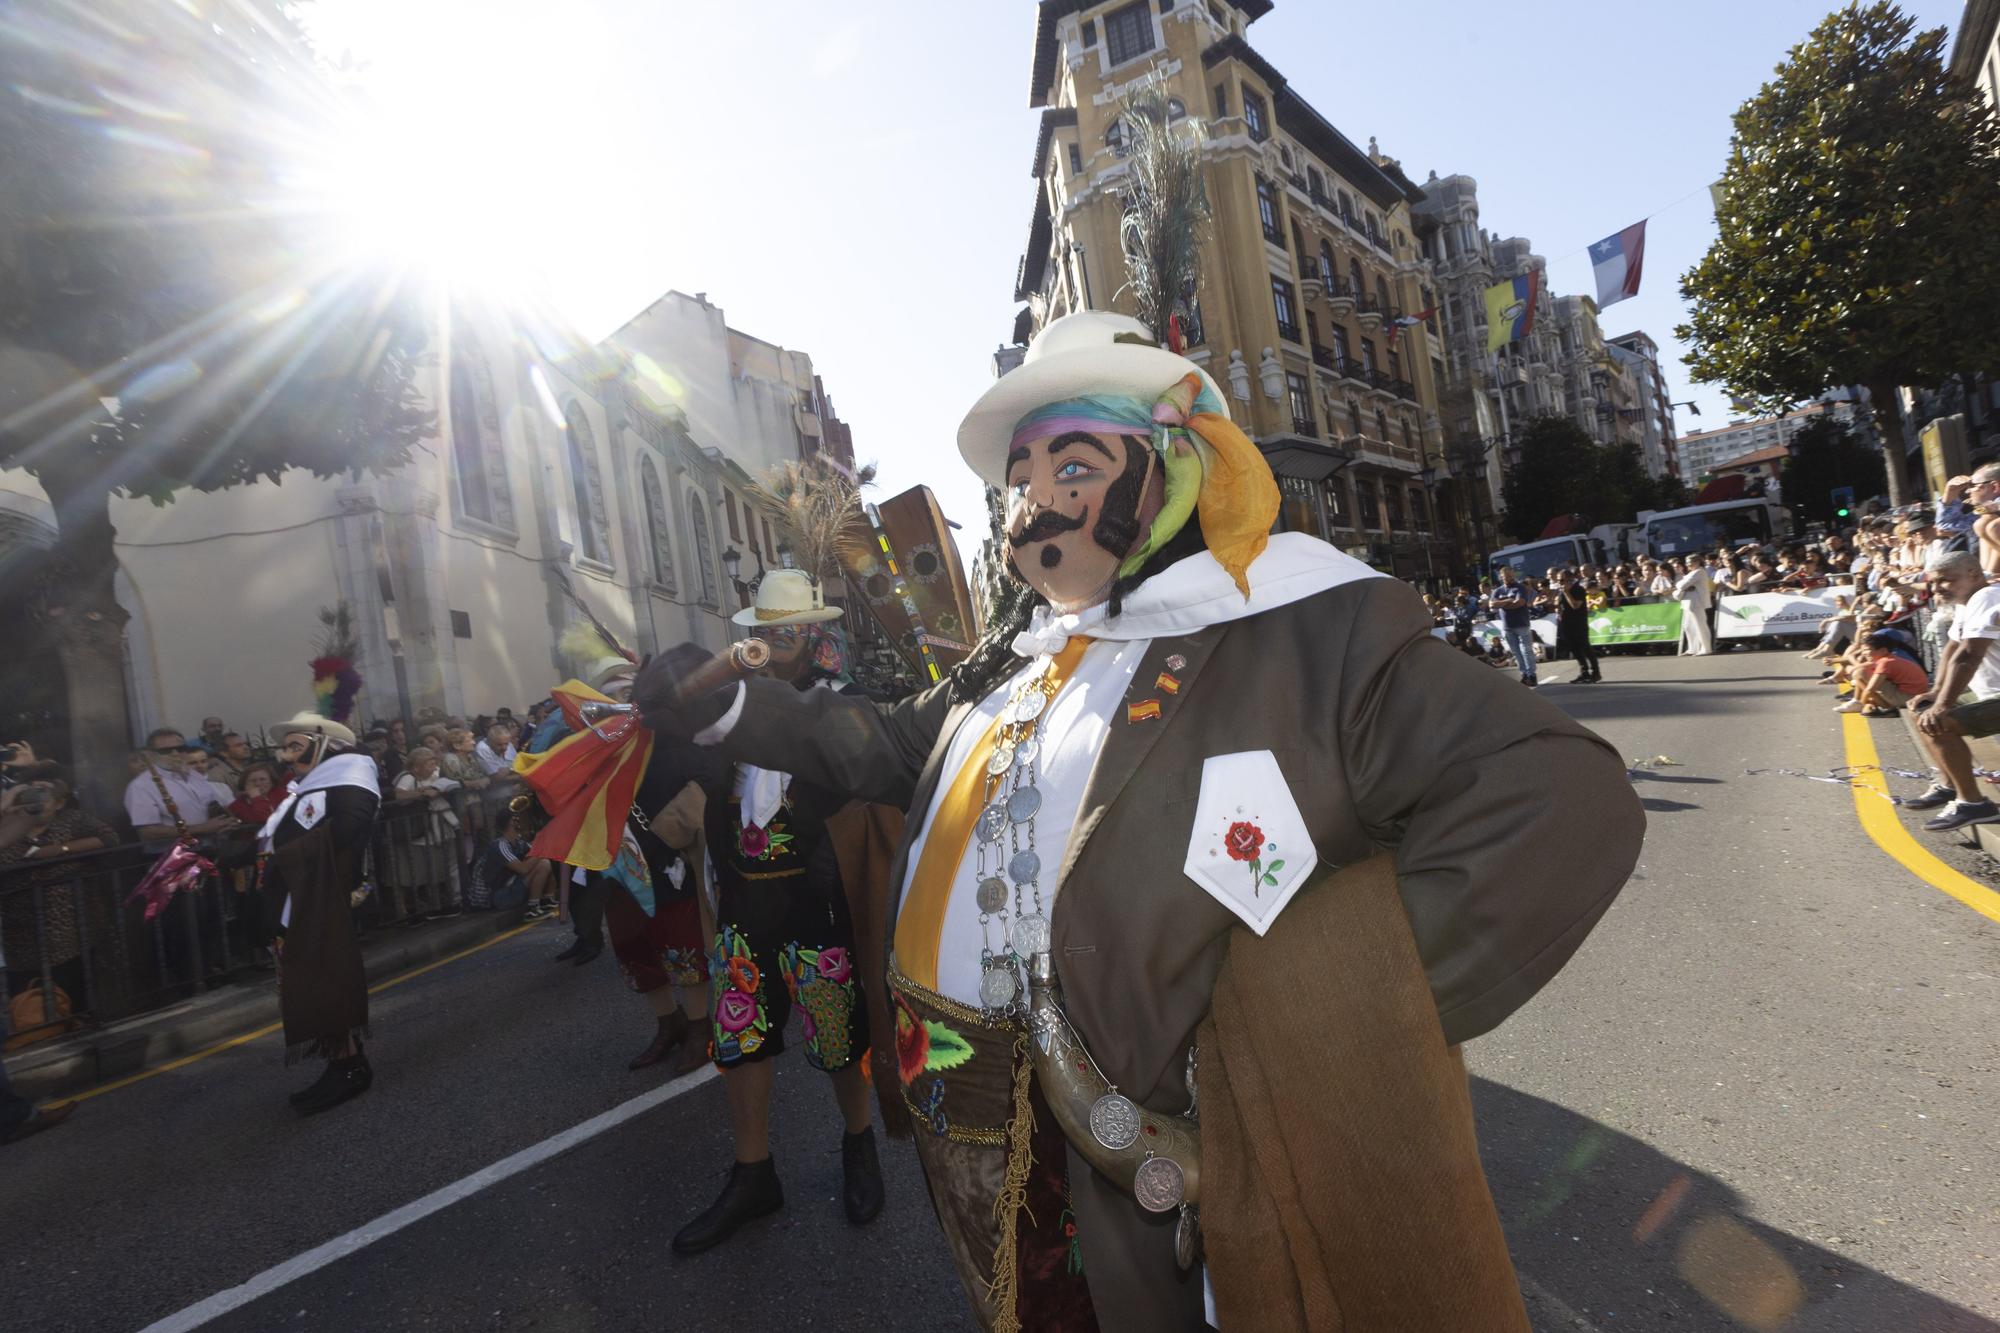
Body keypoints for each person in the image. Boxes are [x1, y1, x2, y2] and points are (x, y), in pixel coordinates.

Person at [635, 311, 1642, 1330]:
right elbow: (885, 748)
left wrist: (1307, 1027)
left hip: (1140, 1175)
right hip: (961, 1124)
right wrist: (723, 706)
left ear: (1172, 466)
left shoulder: (1302, 627)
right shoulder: (1016, 654)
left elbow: (1556, 798)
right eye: (1019, 480)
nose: (1032, 504)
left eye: (1070, 464)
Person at [662, 573, 887, 1255]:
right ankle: (753, 1173)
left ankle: (859, 1146)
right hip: (745, 904)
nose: (771, 641)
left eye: (785, 630)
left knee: (839, 1038)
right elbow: (694, 782)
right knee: (740, 1041)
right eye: (762, 629)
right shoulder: (726, 706)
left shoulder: (844, 702)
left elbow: (870, 784)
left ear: (812, 633)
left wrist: (834, 847)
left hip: (815, 904)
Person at [260, 713, 382, 1114]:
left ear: (325, 744)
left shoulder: (351, 780)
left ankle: (348, 1067)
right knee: (310, 982)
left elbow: (347, 830)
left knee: (325, 980)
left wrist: (281, 856)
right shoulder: (306, 789)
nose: (286, 755)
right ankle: (342, 1058)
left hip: (323, 900)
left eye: (296, 746)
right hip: (300, 900)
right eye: (286, 747)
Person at [123, 728, 237, 854]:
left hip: (212, 850)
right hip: (174, 859)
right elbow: (148, 832)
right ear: (150, 755)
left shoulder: (195, 776)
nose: (175, 753)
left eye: (181, 748)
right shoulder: (142, 786)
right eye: (166, 751)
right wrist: (202, 828)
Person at [1836, 632, 1928, 717]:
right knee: (1859, 672)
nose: (1864, 653)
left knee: (1861, 673)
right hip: (1911, 695)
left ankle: (1862, 704)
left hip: (1907, 698)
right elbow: (1867, 665)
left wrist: (1864, 703)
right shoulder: (1889, 659)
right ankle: (1860, 701)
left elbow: (1870, 689)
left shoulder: (1885, 663)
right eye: (1862, 650)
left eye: (1867, 650)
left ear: (1883, 650)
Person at [1490, 565, 1538, 686]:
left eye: (1511, 575)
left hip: (1522, 624)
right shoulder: (1498, 591)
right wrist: (1508, 601)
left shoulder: (1520, 587)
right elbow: (1491, 605)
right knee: (1516, 652)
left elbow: (1519, 603)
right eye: (1506, 576)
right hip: (1507, 626)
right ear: (1501, 577)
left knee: (1526, 650)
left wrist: (1500, 604)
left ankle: (1531, 674)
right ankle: (1524, 674)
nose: (1510, 578)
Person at [1556, 571, 1600, 683]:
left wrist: (1566, 593)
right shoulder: (1561, 591)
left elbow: (1575, 605)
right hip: (1567, 623)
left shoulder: (1578, 589)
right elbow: (1561, 605)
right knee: (1574, 648)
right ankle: (1584, 672)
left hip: (1579, 622)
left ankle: (1596, 672)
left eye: (1561, 580)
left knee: (1585, 647)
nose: (1559, 582)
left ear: (1569, 579)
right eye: (1558, 580)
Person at [1674, 559, 1716, 656]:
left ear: (1698, 562)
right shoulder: (1691, 573)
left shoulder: (1699, 571)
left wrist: (1681, 585)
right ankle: (1692, 648)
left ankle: (1706, 648)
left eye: (1691, 561)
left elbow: (1682, 585)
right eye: (1687, 562)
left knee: (1700, 625)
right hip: (1687, 602)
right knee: (1688, 627)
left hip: (1697, 602)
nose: (1688, 564)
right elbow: (1681, 585)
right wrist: (1682, 585)